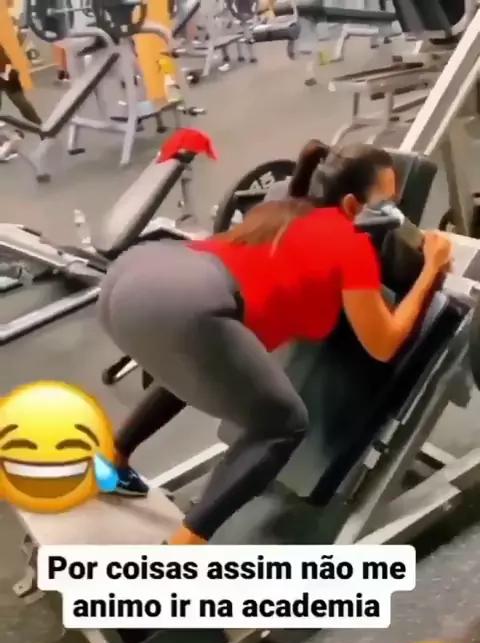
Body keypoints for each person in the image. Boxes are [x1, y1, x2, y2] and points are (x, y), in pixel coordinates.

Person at [98, 140, 452, 546]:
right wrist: (433, 268)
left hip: (132, 276)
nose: (394, 214)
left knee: (194, 361)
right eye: (387, 204)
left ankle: (111, 462)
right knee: (283, 425)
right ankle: (183, 549)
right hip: (188, 304)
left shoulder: (282, 200)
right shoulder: (350, 244)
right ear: (353, 204)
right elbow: (383, 344)